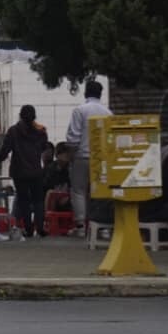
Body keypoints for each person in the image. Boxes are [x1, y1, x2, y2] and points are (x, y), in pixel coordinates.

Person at [0, 104, 51, 238]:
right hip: (36, 171)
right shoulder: (41, 131)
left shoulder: (13, 131)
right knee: (38, 200)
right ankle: (40, 226)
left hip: (19, 171)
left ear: (20, 115)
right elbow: (45, 147)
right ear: (34, 116)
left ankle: (28, 228)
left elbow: (5, 150)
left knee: (24, 200)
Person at [64, 80, 111, 233]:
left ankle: (80, 226)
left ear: (85, 93)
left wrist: (70, 156)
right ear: (100, 94)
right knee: (100, 191)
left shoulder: (80, 110)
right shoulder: (108, 113)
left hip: (81, 156)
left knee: (79, 190)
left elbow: (73, 137)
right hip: (101, 158)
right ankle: (102, 226)